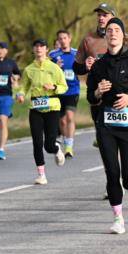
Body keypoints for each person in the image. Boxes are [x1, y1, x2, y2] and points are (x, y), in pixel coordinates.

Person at [87, 17, 128, 234]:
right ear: (105, 36)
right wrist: (98, 92)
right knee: (112, 173)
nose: (112, 33)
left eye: (117, 30)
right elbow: (90, 97)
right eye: (109, 30)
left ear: (123, 35)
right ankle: (117, 219)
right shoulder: (99, 65)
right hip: (106, 125)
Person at [16, 38, 66, 183]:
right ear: (33, 50)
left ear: (46, 50)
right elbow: (23, 87)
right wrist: (20, 94)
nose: (38, 49)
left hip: (52, 108)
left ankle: (56, 148)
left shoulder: (54, 68)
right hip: (35, 108)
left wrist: (54, 87)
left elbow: (64, 86)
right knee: (37, 143)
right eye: (36, 46)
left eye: (41, 46)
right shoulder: (29, 69)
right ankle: (41, 175)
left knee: (48, 145)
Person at [73, 3, 116, 147]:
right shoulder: (88, 39)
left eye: (105, 15)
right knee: (102, 135)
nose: (101, 18)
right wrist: (85, 66)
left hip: (117, 91)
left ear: (113, 17)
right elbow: (76, 68)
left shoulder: (123, 38)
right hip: (96, 93)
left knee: (116, 135)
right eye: (99, 15)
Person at [48, 29, 79, 159]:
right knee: (62, 120)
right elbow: (47, 72)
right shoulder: (53, 55)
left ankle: (69, 146)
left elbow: (83, 69)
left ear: (69, 39)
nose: (62, 40)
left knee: (70, 117)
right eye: (60, 38)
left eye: (64, 38)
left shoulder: (77, 53)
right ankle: (65, 139)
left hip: (72, 90)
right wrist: (55, 66)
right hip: (58, 90)